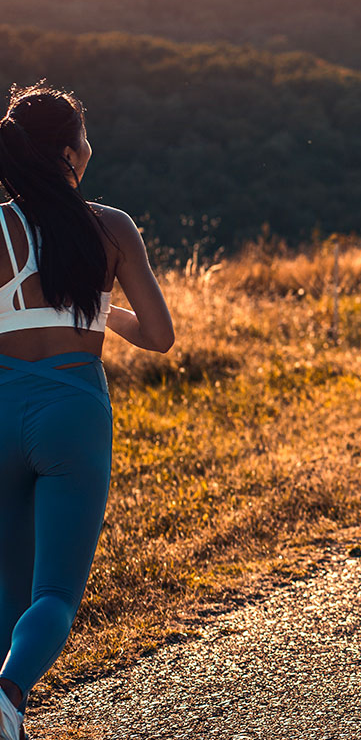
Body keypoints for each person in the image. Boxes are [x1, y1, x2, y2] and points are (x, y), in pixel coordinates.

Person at [0, 83, 174, 740]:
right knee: (53, 598)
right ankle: (10, 695)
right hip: (73, 410)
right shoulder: (112, 226)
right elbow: (159, 337)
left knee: (7, 592)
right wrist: (105, 313)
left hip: (0, 405)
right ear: (72, 153)